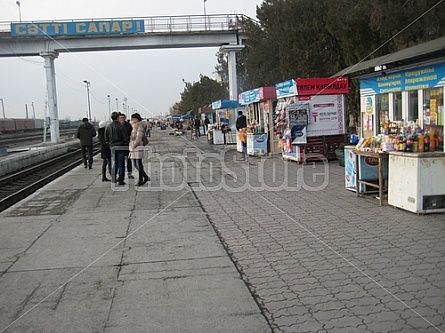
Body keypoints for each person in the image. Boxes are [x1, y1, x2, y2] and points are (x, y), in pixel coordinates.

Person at [106, 112, 129, 185]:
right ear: (118, 117)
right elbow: (125, 137)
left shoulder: (108, 126)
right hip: (121, 146)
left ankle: (113, 178)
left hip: (112, 147)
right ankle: (121, 180)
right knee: (121, 164)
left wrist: (110, 144)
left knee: (115, 163)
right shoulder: (121, 126)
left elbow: (106, 138)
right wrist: (126, 144)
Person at [129, 113, 150, 186]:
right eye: (132, 119)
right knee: (135, 164)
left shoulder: (139, 126)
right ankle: (145, 176)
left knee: (139, 164)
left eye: (135, 119)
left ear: (138, 119)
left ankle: (141, 179)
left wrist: (134, 145)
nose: (133, 120)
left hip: (137, 147)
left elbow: (138, 138)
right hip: (133, 148)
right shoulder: (134, 126)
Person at [118, 113, 134, 179]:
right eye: (120, 118)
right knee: (120, 161)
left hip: (127, 145)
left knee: (128, 160)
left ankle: (129, 173)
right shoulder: (117, 125)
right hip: (120, 145)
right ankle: (121, 174)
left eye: (123, 118)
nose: (122, 119)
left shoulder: (128, 125)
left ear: (125, 118)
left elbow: (132, 134)